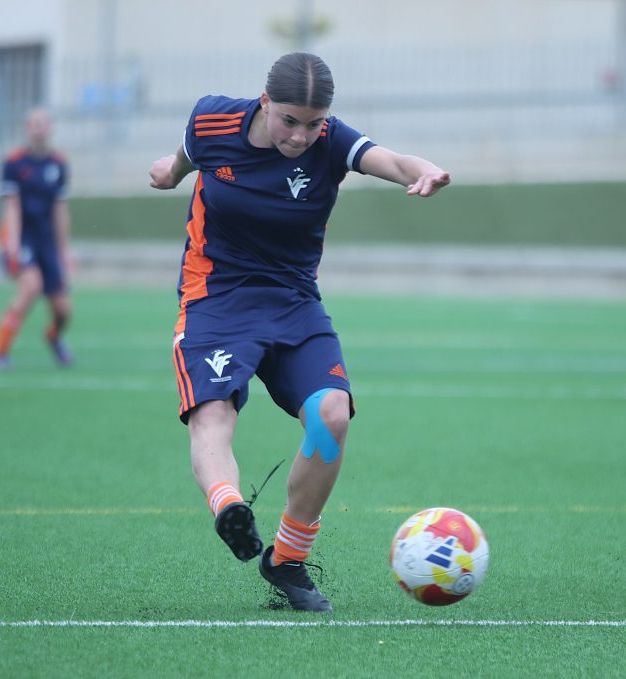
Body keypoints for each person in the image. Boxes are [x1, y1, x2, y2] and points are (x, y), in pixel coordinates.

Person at [148, 52, 450, 613]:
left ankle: (286, 557)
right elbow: (183, 159)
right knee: (213, 414)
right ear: (265, 103)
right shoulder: (214, 119)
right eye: (291, 120)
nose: (303, 135)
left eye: (314, 123)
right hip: (216, 296)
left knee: (333, 414)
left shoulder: (331, 141)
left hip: (293, 301)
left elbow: (389, 159)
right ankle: (229, 507)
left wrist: (424, 171)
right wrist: (167, 173)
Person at [0, 108, 74, 370]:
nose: (39, 129)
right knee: (30, 287)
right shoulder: (13, 163)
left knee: (63, 311)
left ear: (50, 129)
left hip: (46, 241)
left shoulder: (58, 164)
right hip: (22, 237)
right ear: (26, 128)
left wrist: (64, 251)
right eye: (34, 124)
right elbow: (11, 208)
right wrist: (12, 245)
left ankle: (53, 335)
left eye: (44, 124)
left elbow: (60, 210)